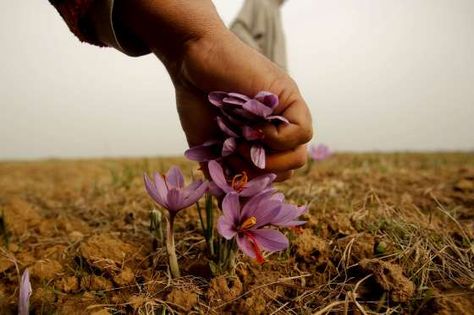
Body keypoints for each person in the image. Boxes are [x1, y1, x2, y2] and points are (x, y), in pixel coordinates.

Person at [49, 0, 312, 181]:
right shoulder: (261, 6)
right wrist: (200, 41)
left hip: (257, 90)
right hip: (254, 91)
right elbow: (243, 30)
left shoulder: (270, 10)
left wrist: (192, 44)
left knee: (260, 160)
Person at [231, 0, 287, 70]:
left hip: (273, 77)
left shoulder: (277, 13)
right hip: (255, 72)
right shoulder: (257, 1)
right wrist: (257, 54)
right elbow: (237, 29)